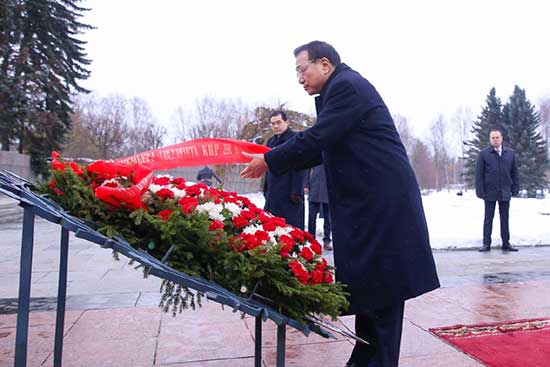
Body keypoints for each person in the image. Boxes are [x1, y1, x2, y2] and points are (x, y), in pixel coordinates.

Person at [241, 41, 440, 367]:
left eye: (302, 70)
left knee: (383, 289)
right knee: (370, 288)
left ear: (325, 64)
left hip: (382, 205)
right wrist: (274, 159)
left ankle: (377, 360)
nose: (300, 79)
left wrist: (269, 160)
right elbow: (320, 147)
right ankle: (365, 357)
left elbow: (317, 138)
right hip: (370, 205)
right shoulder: (340, 91)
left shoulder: (347, 87)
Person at [475, 129, 519, 252]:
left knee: (505, 218)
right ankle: (486, 244)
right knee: (488, 218)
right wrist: (480, 190)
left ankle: (506, 243)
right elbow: (479, 174)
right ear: (490, 139)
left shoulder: (510, 153)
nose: (495, 139)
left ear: (501, 138)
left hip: (505, 191)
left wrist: (515, 187)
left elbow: (514, 172)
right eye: (493, 138)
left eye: (497, 137)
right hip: (489, 191)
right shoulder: (484, 154)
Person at [262, 111, 307, 229]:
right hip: (272, 191)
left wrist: (296, 191)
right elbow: (267, 166)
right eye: (272, 124)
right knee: (271, 227)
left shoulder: (295, 139)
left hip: (290, 192)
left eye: (278, 122)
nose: (276, 126)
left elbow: (301, 166)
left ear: (286, 122)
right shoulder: (271, 142)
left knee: (290, 228)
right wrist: (265, 188)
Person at [305, 164, 332, 251]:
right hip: (314, 188)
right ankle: (311, 239)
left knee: (328, 218)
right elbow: (307, 170)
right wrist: (306, 185)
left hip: (327, 190)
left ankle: (327, 240)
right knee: (311, 217)